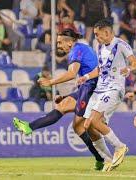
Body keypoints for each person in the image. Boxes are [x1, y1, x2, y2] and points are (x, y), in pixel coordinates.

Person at [13, 29, 109, 170]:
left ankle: (108, 155)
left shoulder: (77, 50)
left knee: (79, 124)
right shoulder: (79, 49)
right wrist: (64, 96)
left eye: (60, 42)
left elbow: (71, 74)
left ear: (69, 41)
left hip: (93, 89)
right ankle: (100, 158)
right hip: (87, 88)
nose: (58, 45)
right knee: (72, 119)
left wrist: (51, 82)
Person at [77, 19, 136, 171]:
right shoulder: (99, 47)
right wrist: (85, 77)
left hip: (114, 88)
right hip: (100, 89)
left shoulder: (121, 45)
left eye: (98, 35)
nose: (96, 38)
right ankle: (107, 159)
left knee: (95, 120)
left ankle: (120, 147)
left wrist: (129, 69)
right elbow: (100, 69)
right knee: (87, 125)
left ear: (107, 32)